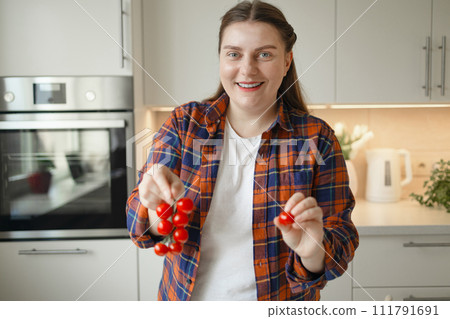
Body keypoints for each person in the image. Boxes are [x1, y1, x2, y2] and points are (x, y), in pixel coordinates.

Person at [126, 0, 358, 301]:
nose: (247, 69)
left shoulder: (316, 137)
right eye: (233, 54)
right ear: (221, 59)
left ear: (287, 61)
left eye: (264, 54)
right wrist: (152, 203)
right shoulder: (185, 124)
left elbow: (340, 245)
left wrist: (312, 250)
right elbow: (140, 231)